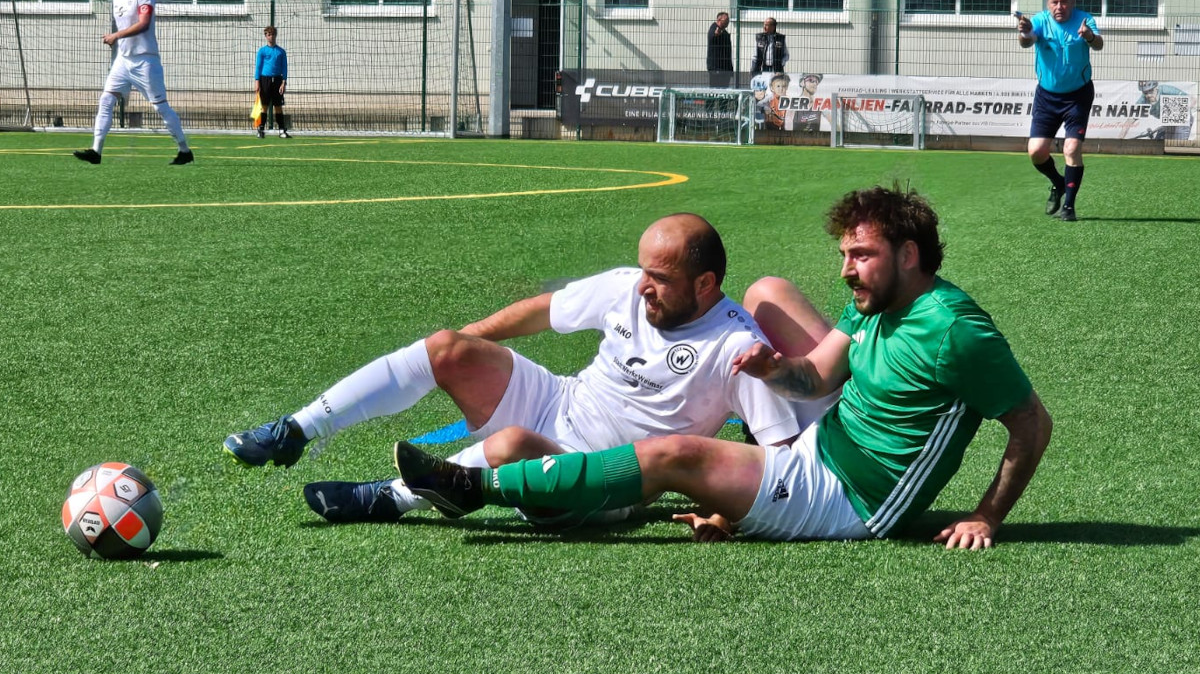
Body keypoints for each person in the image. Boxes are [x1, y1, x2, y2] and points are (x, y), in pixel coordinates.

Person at [396, 186, 1053, 550]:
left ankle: (479, 489)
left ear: (909, 255)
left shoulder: (956, 331)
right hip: (817, 454)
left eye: (860, 255)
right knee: (686, 454)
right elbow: (818, 379)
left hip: (854, 504)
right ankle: (481, 485)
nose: (845, 268)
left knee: (677, 454)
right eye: (845, 254)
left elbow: (1031, 425)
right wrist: (772, 369)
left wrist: (987, 516)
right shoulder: (872, 306)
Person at [224, 212, 838, 525]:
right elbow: (543, 311)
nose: (643, 289)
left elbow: (777, 451)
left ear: (705, 285)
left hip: (613, 472)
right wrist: (460, 344)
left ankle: (390, 498)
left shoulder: (736, 344)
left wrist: (721, 511)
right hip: (561, 399)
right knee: (444, 348)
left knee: (513, 445)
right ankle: (298, 429)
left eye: (662, 279)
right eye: (643, 271)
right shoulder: (628, 287)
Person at [73, 0, 193, 166]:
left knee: (160, 108)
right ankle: (96, 151)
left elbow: (144, 24)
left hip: (145, 61)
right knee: (106, 100)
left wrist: (116, 36)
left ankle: (184, 150)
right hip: (123, 60)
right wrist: (116, 40)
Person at [1017, 0, 1102, 222]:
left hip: (1078, 95)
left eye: (1064, 2)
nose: (1059, 7)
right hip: (1047, 96)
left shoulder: (1085, 19)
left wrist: (1089, 36)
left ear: (1072, 3)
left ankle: (1069, 207)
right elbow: (1028, 40)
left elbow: (1099, 44)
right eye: (1055, 2)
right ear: (1048, 4)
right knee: (1036, 152)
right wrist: (1024, 32)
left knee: (1072, 148)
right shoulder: (1040, 21)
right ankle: (1058, 182)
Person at [254, 25, 290, 139]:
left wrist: (284, 82)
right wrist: (257, 82)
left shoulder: (281, 52)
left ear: (276, 35)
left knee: (278, 106)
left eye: (273, 34)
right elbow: (258, 67)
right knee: (264, 106)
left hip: (277, 80)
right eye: (269, 35)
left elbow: (284, 67)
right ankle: (260, 129)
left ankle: (281, 130)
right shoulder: (262, 51)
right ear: (266, 36)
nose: (271, 37)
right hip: (265, 80)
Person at [706, 12, 734, 88]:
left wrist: (730, 68)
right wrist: (716, 34)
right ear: (719, 19)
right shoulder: (714, 28)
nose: (728, 21)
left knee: (724, 90)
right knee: (715, 90)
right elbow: (713, 36)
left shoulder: (724, 31)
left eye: (728, 20)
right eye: (726, 19)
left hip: (725, 68)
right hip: (717, 67)